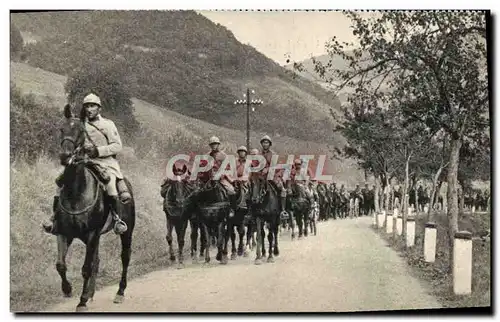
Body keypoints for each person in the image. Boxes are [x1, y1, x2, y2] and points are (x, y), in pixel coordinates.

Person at [43, 93, 130, 235]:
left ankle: (117, 218)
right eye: (87, 106)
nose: (89, 109)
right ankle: (55, 219)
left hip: (105, 163)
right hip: (83, 161)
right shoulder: (80, 124)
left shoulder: (108, 125)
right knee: (61, 183)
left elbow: (117, 146)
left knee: (110, 186)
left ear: (99, 108)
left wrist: (98, 151)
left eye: (92, 106)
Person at [206, 136, 236, 215]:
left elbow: (228, 168)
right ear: (210, 145)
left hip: (221, 179)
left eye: (215, 144)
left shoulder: (224, 155)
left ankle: (231, 209)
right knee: (198, 191)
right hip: (209, 179)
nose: (214, 146)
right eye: (212, 144)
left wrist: (220, 175)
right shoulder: (207, 155)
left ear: (218, 145)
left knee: (231, 191)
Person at [258, 135, 287, 215]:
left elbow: (276, 166)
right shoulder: (258, 155)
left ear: (269, 144)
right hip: (261, 177)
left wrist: (267, 169)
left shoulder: (273, 154)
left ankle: (283, 210)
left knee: (282, 189)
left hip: (272, 176)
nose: (265, 144)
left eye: (267, 142)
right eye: (263, 142)